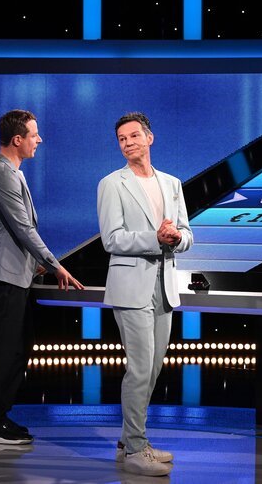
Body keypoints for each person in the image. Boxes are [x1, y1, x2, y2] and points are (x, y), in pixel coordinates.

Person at [0, 109, 84, 445]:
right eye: (34, 135)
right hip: (2, 276)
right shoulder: (2, 173)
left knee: (18, 348)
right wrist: (54, 264)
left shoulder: (11, 172)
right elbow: (22, 229)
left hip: (14, 274)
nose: (39, 140)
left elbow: (15, 231)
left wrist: (34, 265)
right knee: (2, 351)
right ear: (17, 139)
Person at [96, 112, 193, 477]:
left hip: (164, 285)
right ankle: (137, 447)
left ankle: (128, 441)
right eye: (122, 138)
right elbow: (112, 239)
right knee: (139, 369)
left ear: (149, 138)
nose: (128, 142)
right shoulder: (112, 184)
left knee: (152, 369)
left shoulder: (171, 183)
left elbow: (186, 233)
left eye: (134, 135)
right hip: (129, 286)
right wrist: (155, 239)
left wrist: (176, 238)